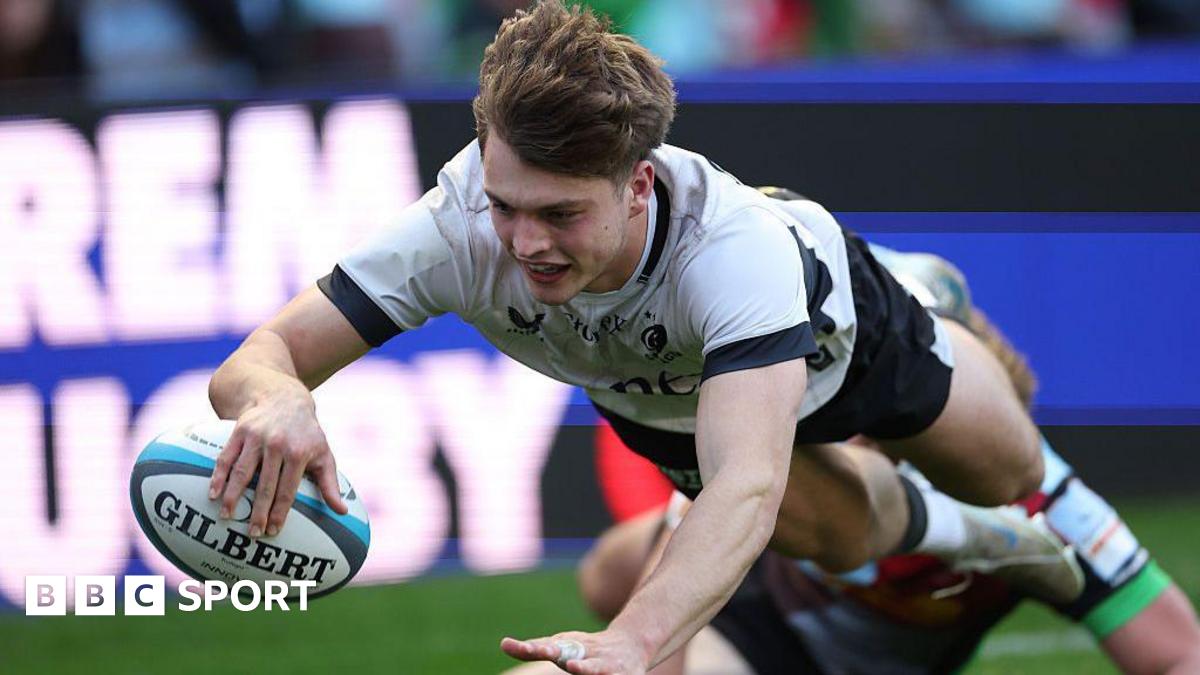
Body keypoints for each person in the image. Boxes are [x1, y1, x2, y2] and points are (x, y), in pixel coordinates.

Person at [205, 3, 1077, 672]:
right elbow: (257, 358)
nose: (525, 243)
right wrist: (278, 394)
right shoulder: (454, 227)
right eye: (507, 205)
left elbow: (745, 484)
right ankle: (971, 538)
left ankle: (928, 292)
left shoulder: (731, 249)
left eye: (560, 214)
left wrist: (633, 639)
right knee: (845, 538)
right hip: (666, 395)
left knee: (1013, 471)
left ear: (637, 185)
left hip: (841, 336)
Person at [504, 243, 1200, 674]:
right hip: (752, 629)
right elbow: (608, 585)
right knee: (595, 603)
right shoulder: (804, 419)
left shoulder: (1049, 503)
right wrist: (689, 515)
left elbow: (1178, 650)